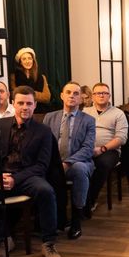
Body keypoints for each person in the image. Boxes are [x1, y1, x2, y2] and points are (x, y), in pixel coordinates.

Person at [0, 86, 63, 257]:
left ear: (35, 105)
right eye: (20, 103)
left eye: (29, 103)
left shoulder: (43, 131)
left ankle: (48, 243)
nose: (25, 107)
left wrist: (15, 179)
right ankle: (3, 238)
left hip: (27, 176)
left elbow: (41, 165)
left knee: (46, 192)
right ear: (13, 104)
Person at [44, 81, 95, 239]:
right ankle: (55, 218)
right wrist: (54, 163)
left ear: (81, 98)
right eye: (68, 92)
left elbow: (88, 148)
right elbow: (43, 143)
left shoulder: (88, 120)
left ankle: (76, 220)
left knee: (79, 169)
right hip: (54, 163)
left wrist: (67, 163)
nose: (72, 96)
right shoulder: (50, 117)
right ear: (61, 96)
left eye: (76, 93)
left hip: (78, 163)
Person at [83, 83, 128, 215]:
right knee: (77, 165)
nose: (101, 95)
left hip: (109, 150)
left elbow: (121, 138)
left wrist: (102, 149)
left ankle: (90, 201)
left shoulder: (118, 113)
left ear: (109, 96)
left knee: (102, 164)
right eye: (98, 93)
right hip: (87, 149)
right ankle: (79, 200)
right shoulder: (85, 112)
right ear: (92, 96)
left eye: (105, 93)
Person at [10, 47, 51, 113]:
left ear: (33, 60)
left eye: (29, 58)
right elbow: (14, 95)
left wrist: (25, 93)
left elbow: (47, 97)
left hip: (40, 111)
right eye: (24, 59)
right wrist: (37, 95)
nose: (27, 61)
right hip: (22, 111)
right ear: (20, 62)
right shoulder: (14, 76)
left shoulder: (42, 77)